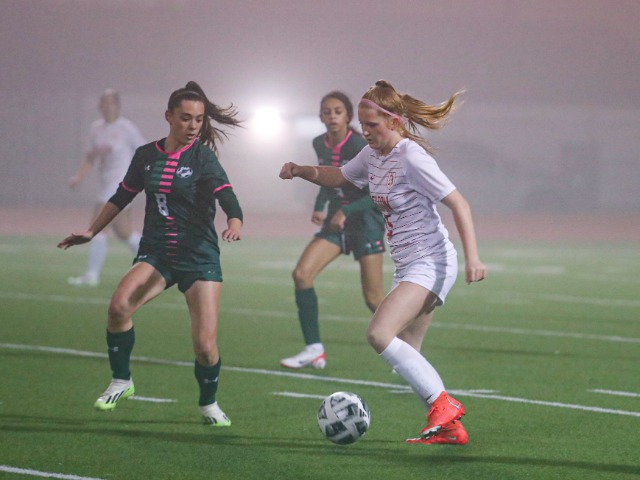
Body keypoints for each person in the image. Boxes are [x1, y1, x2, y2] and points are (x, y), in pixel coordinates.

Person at [279, 80, 486, 445]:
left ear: (394, 121)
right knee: (409, 352)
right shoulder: (373, 155)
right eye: (362, 124)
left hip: (432, 261)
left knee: (378, 333)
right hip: (407, 265)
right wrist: (301, 170)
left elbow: (459, 204)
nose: (366, 131)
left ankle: (445, 405)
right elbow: (340, 176)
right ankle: (451, 429)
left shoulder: (411, 157)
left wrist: (474, 258)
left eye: (372, 124)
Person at [58, 81, 243, 426]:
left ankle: (208, 403)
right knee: (118, 307)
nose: (193, 126)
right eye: (186, 118)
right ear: (169, 117)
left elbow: (227, 196)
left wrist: (234, 222)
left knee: (205, 347)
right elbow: (121, 196)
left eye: (199, 120)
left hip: (199, 257)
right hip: (158, 252)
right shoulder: (146, 155)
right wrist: (92, 231)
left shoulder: (203, 157)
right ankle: (121, 380)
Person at [280, 91, 386, 370]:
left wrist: (346, 211)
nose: (332, 116)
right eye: (327, 111)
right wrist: (320, 205)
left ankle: (408, 348)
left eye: (338, 111)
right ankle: (314, 350)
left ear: (348, 116)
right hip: (336, 223)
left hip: (365, 222)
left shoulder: (361, 145)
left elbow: (378, 192)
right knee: (302, 274)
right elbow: (328, 176)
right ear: (320, 116)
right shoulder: (319, 142)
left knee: (373, 299)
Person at [67, 89, 145, 287]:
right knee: (124, 232)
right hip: (106, 183)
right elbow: (90, 157)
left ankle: (91, 276)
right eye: (104, 102)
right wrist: (79, 177)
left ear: (118, 106)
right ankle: (157, 263)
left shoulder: (127, 128)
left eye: (111, 102)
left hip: (121, 184)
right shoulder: (96, 129)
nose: (107, 106)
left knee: (96, 226)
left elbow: (144, 151)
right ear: (99, 106)